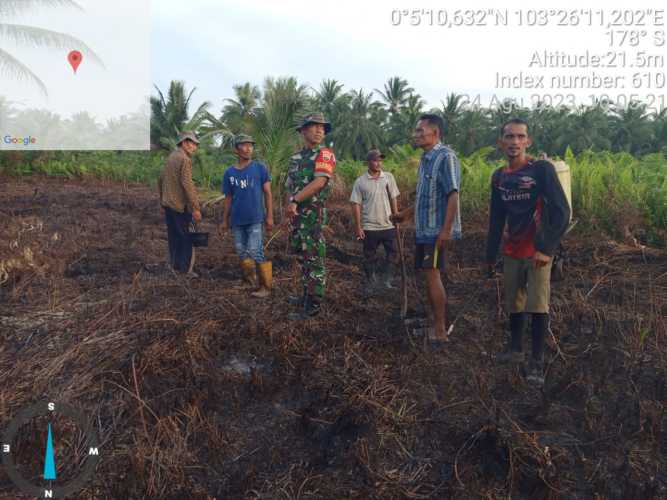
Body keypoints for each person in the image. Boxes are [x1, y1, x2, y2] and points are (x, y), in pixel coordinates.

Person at [485, 118, 570, 387]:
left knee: (537, 305)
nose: (514, 142)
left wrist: (547, 249)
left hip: (537, 252)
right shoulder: (499, 177)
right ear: (501, 142)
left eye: (520, 137)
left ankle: (536, 359)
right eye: (509, 137)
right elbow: (496, 220)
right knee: (515, 303)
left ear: (528, 141)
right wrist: (488, 258)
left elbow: (562, 211)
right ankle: (515, 349)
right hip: (512, 251)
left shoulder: (541, 170)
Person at [391, 114, 461, 347]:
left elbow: (453, 195)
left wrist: (446, 230)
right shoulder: (425, 159)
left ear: (435, 133)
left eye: (421, 131)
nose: (416, 135)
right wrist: (405, 215)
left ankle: (440, 330)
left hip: (435, 231)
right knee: (428, 275)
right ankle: (432, 322)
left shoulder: (445, 157)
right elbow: (424, 197)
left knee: (433, 275)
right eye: (416, 131)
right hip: (423, 229)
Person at [284, 113, 336, 319]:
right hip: (297, 217)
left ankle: (314, 304)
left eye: (322, 128)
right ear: (303, 131)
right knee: (303, 257)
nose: (319, 130)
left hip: (313, 216)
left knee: (314, 258)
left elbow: (319, 182)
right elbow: (289, 185)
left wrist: (295, 201)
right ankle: (306, 295)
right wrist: (289, 205)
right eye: (314, 126)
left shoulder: (325, 154)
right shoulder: (295, 158)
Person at [221, 134, 274, 298]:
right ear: (236, 150)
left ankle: (265, 286)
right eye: (243, 145)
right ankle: (248, 281)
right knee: (241, 251)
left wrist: (270, 216)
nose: (248, 148)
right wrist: (224, 220)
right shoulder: (229, 173)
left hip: (255, 218)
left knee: (255, 250)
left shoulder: (260, 168)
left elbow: (268, 193)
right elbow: (228, 199)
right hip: (237, 220)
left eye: (250, 145)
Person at [350, 149, 400, 295]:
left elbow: (393, 198)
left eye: (380, 160)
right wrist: (359, 227)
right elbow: (356, 204)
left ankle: (386, 281)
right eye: (375, 160)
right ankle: (371, 283)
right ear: (368, 162)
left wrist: (396, 218)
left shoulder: (388, 178)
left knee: (392, 254)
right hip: (370, 226)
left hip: (388, 224)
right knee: (369, 255)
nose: (378, 163)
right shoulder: (360, 181)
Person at [158, 131, 201, 276]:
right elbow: (187, 184)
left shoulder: (171, 157)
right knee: (186, 237)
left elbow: (161, 179)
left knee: (174, 236)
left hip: (168, 204)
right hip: (179, 206)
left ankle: (174, 266)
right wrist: (195, 207)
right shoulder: (184, 159)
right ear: (183, 143)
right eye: (191, 143)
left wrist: (162, 199)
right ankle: (186, 270)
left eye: (195, 144)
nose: (193, 147)